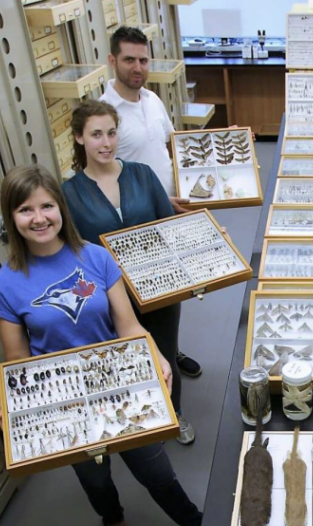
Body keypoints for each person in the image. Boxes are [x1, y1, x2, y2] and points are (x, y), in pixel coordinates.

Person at [0, 164, 203, 526]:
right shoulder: (5, 285)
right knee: (94, 477)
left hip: (118, 383)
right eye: (25, 210)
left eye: (47, 207)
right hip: (65, 401)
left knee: (157, 471)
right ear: (11, 217)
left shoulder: (97, 258)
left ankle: (194, 523)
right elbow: (18, 359)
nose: (39, 218)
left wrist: (154, 353)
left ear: (61, 209)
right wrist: (4, 395)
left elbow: (129, 325)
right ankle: (114, 522)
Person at [61, 99, 195, 445]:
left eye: (111, 133)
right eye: (95, 135)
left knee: (164, 349)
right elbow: (73, 252)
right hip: (108, 295)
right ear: (79, 139)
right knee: (124, 359)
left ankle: (174, 413)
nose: (105, 143)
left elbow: (168, 228)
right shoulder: (69, 194)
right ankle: (135, 418)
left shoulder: (142, 174)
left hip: (158, 286)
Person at [101, 26, 202, 379]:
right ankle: (152, 365)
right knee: (139, 301)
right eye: (129, 60)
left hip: (168, 214)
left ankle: (170, 350)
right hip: (135, 224)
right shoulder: (104, 115)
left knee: (171, 291)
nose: (137, 68)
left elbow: (170, 147)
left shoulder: (152, 100)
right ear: (113, 60)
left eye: (143, 60)